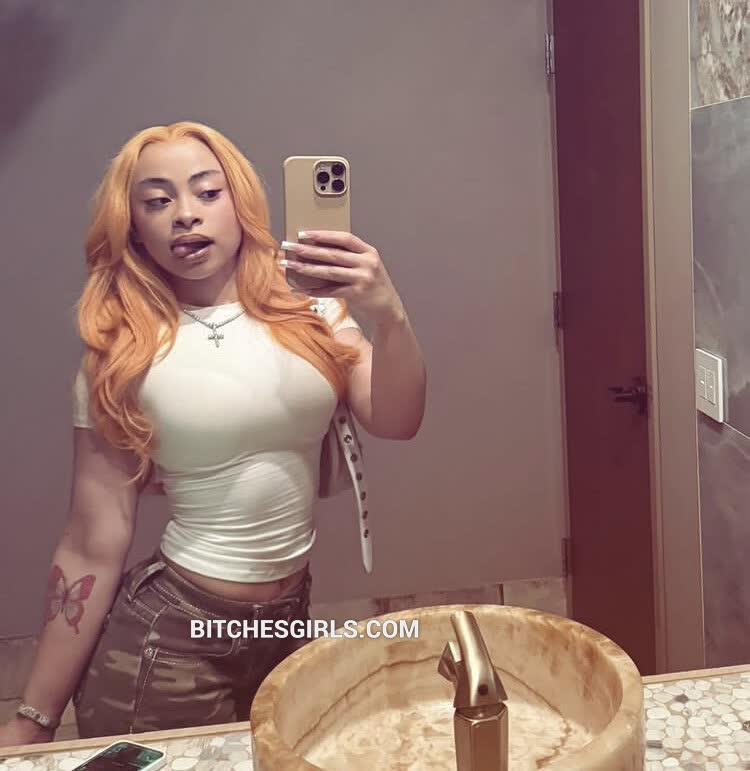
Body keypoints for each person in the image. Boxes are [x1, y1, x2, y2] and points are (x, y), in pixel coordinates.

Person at [0, 121, 426, 746]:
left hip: (282, 626)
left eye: (206, 192)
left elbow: (397, 419)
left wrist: (389, 314)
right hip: (170, 639)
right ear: (134, 228)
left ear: (240, 203)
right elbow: (92, 542)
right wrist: (33, 718)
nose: (185, 215)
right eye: (157, 201)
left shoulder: (311, 311)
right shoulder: (123, 352)